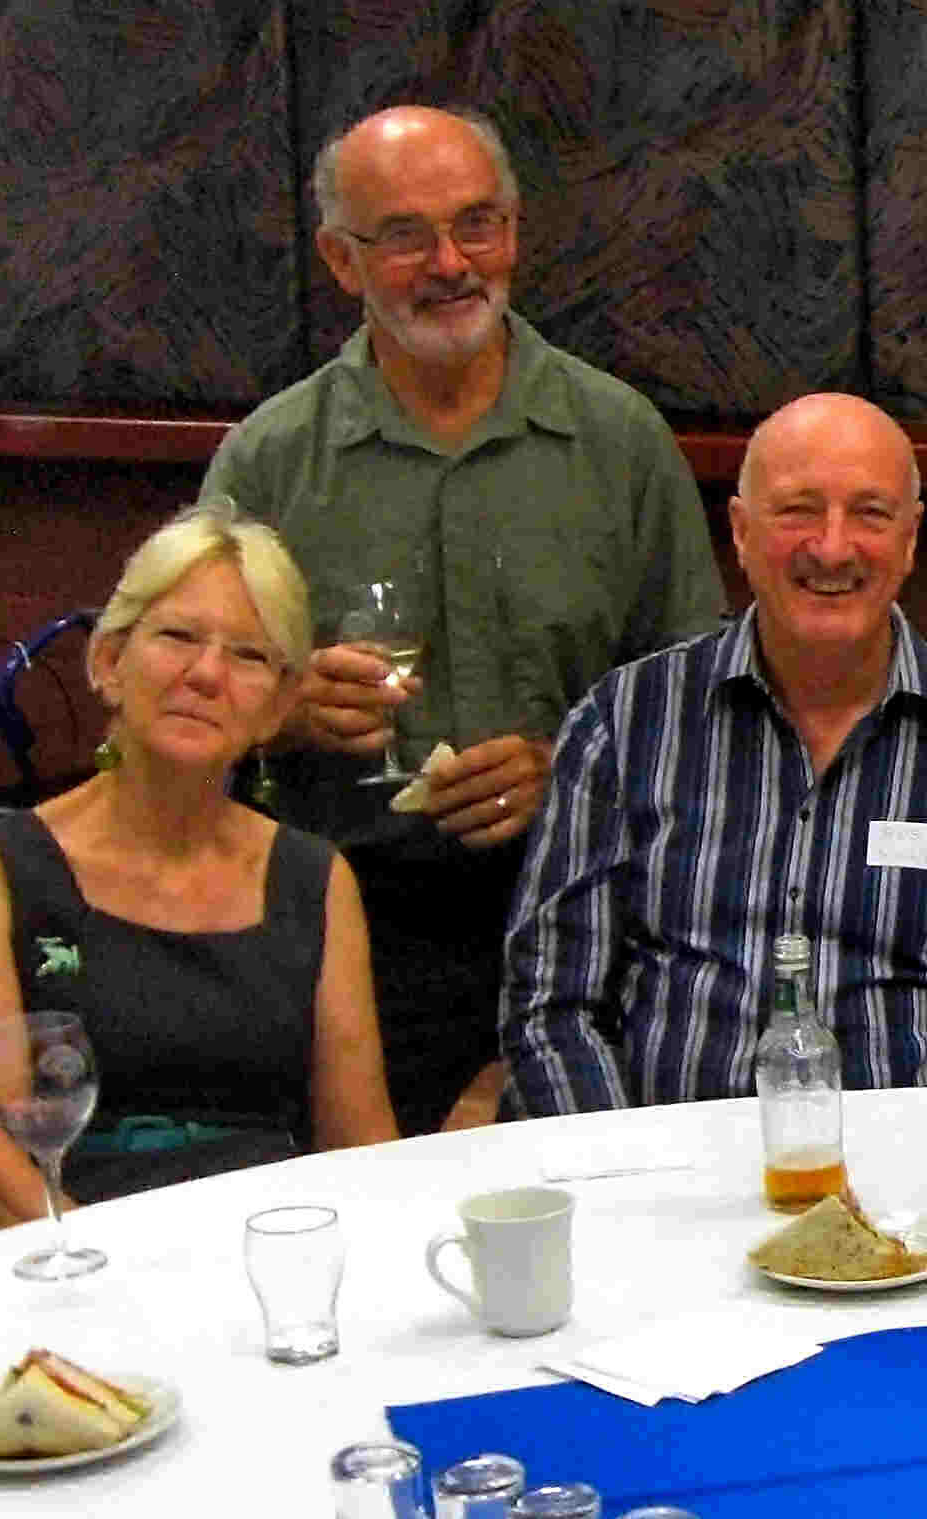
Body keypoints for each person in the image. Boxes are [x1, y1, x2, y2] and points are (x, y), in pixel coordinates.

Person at [201, 105, 728, 1133]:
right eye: (404, 235)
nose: (450, 263)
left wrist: (568, 765)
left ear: (516, 233)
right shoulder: (271, 459)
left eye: (477, 225)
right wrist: (282, 703)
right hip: (346, 914)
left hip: (589, 901)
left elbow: (703, 711)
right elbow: (173, 703)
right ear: (340, 261)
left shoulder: (617, 439)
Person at [501, 393, 927, 1111]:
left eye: (870, 514)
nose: (832, 546)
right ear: (741, 533)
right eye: (798, 510)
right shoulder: (621, 726)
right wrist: (623, 1177)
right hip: (664, 1188)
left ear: (910, 539)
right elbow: (553, 1003)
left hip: (916, 1200)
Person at [0, 501, 397, 1225]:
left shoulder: (316, 879)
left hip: (270, 1253)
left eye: (248, 654)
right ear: (108, 662)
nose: (206, 674)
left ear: (278, 706)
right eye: (178, 636)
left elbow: (361, 1146)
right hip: (64, 1256)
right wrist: (115, 1281)